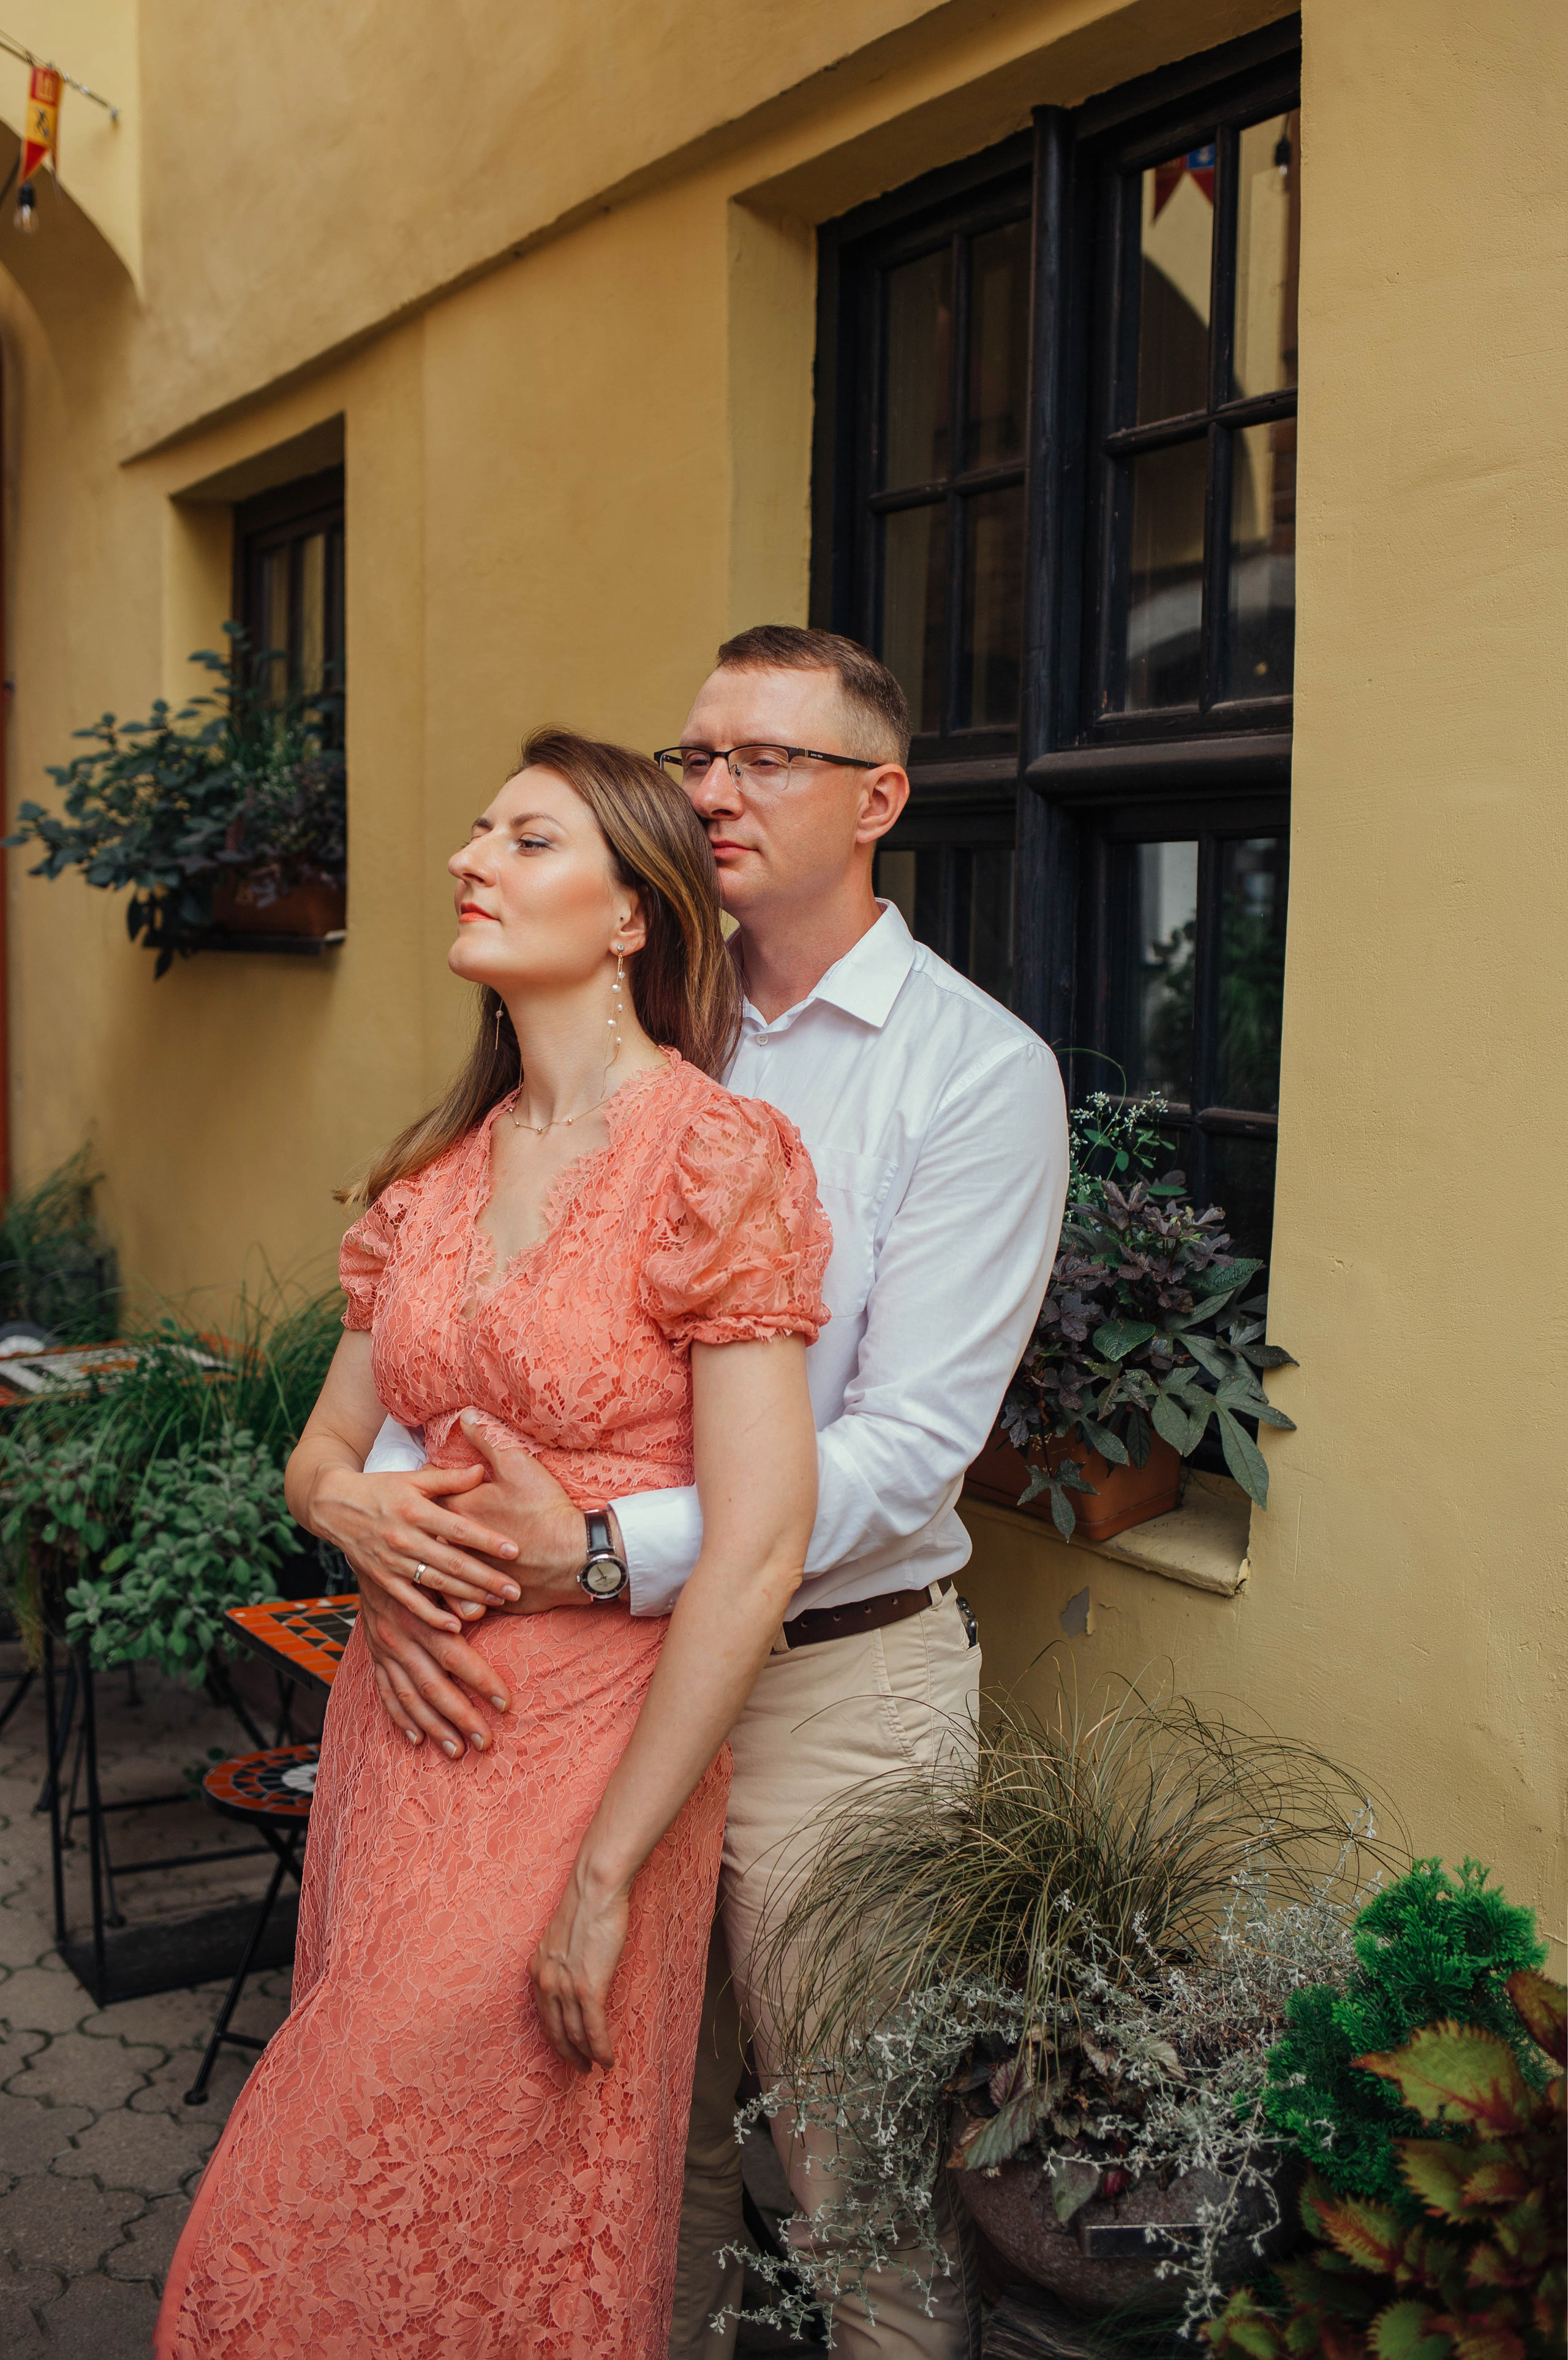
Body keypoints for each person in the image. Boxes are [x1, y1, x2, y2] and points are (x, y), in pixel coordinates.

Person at [347, 629, 1071, 2358]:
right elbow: (473, 1335)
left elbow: (910, 1447)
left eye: (767, 759)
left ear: (879, 799)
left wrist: (598, 1550)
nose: (715, 789)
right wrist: (397, 1534)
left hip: (836, 1684)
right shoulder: (633, 1015)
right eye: (696, 758)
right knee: (609, 2160)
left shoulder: (973, 1072)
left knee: (855, 2190)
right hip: (583, 1701)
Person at [153, 729, 831, 2360]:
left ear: (632, 916)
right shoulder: (440, 1174)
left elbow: (759, 1546)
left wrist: (608, 1872)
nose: (470, 857)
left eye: (526, 839)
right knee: (390, 2182)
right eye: (477, 830)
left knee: (405, 2185)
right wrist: (350, 1511)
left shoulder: (719, 1160)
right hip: (399, 1743)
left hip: (594, 1768)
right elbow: (323, 1449)